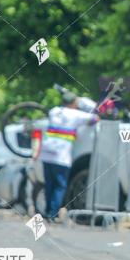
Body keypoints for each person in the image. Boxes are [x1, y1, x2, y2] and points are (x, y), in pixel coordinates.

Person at [38, 89, 99, 222]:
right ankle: (52, 214)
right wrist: (84, 103)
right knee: (60, 185)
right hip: (61, 155)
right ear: (73, 103)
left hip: (47, 153)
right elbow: (95, 117)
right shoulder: (75, 114)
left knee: (49, 184)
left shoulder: (54, 111)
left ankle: (48, 210)